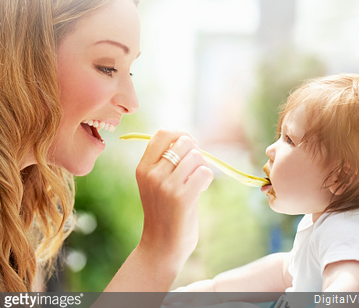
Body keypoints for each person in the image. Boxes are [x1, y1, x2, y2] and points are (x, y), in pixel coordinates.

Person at [0, 0, 213, 292]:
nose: (132, 103)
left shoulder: (26, 216)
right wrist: (157, 253)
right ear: (26, 59)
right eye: (107, 67)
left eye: (131, 71)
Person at [172, 74, 359, 300]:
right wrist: (212, 289)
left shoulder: (352, 230)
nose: (270, 149)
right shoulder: (330, 225)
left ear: (340, 178)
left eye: (289, 139)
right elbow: (286, 270)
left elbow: (349, 289)